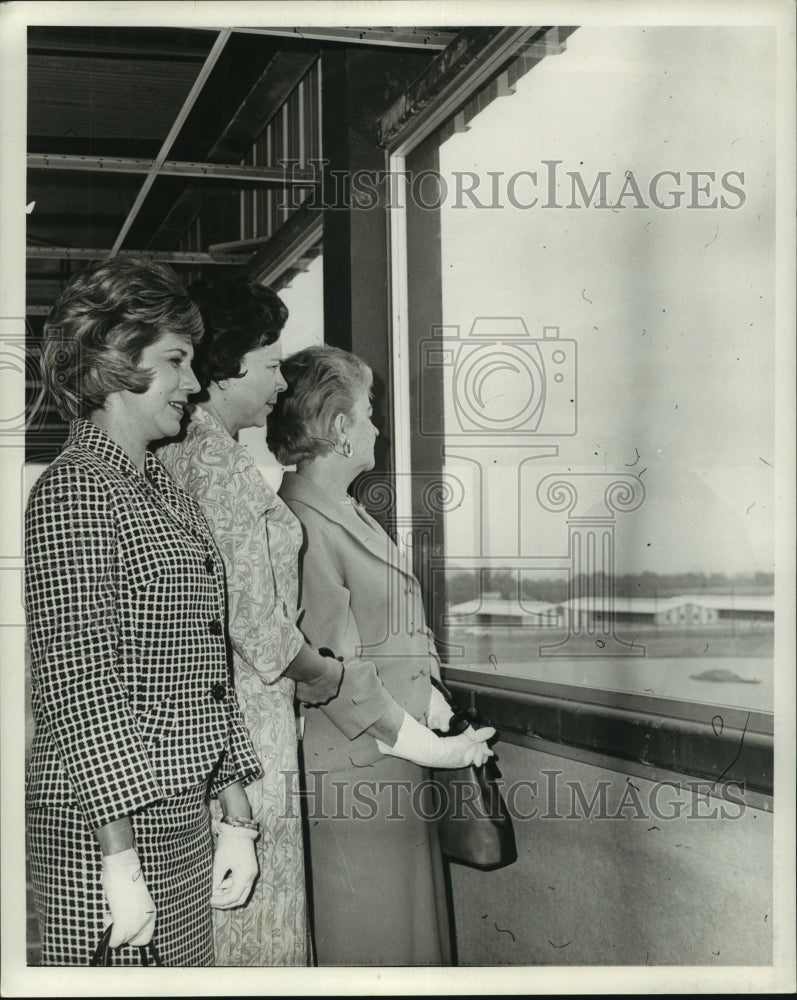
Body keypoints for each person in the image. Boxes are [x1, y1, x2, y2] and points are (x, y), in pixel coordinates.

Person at [25, 258, 262, 967]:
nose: (193, 384)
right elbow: (81, 688)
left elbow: (203, 663)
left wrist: (237, 814)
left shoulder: (160, 486)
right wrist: (120, 862)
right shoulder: (77, 492)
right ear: (111, 364)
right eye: (175, 361)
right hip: (106, 830)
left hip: (180, 818)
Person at [267, 345, 495, 966]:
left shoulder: (348, 514)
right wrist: (433, 746)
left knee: (412, 942)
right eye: (369, 412)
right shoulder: (298, 523)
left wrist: (437, 711)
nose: (378, 427)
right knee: (377, 947)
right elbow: (331, 671)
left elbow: (392, 637)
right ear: (339, 429)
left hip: (394, 759)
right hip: (359, 772)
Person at [156, 276, 345, 966]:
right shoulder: (215, 464)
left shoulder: (192, 452)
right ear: (224, 367)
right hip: (247, 722)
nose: (280, 383)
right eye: (270, 364)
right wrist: (322, 672)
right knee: (258, 917)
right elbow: (250, 621)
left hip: (216, 719)